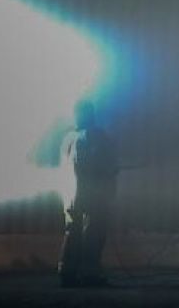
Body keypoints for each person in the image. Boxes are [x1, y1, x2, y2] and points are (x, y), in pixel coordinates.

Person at [59, 100, 120, 288]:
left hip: (70, 196)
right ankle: (90, 274)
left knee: (72, 233)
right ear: (91, 114)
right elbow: (105, 165)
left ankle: (67, 273)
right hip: (92, 195)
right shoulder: (95, 136)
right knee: (94, 232)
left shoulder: (68, 138)